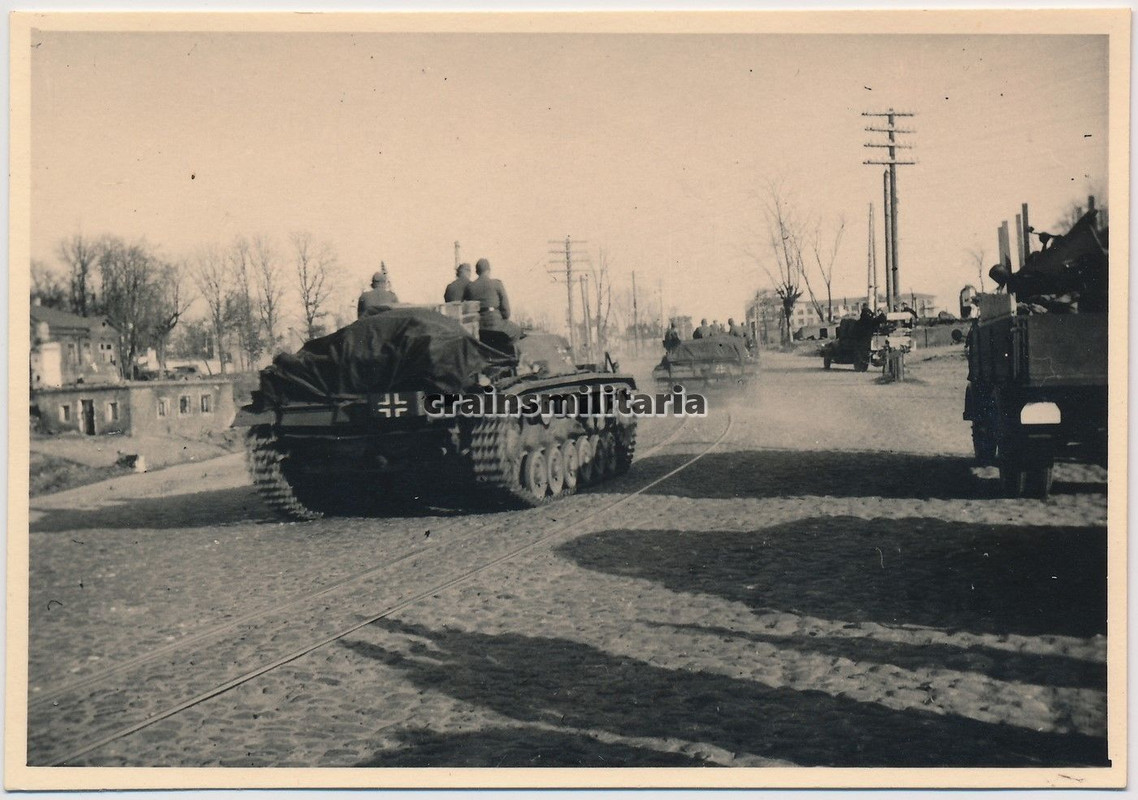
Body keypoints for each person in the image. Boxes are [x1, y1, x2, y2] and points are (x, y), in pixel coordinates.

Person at [463, 258, 522, 342]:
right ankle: (507, 350)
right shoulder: (497, 284)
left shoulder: (470, 287)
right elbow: (506, 312)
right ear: (489, 270)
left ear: (476, 272)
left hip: (479, 327)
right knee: (517, 330)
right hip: (496, 325)